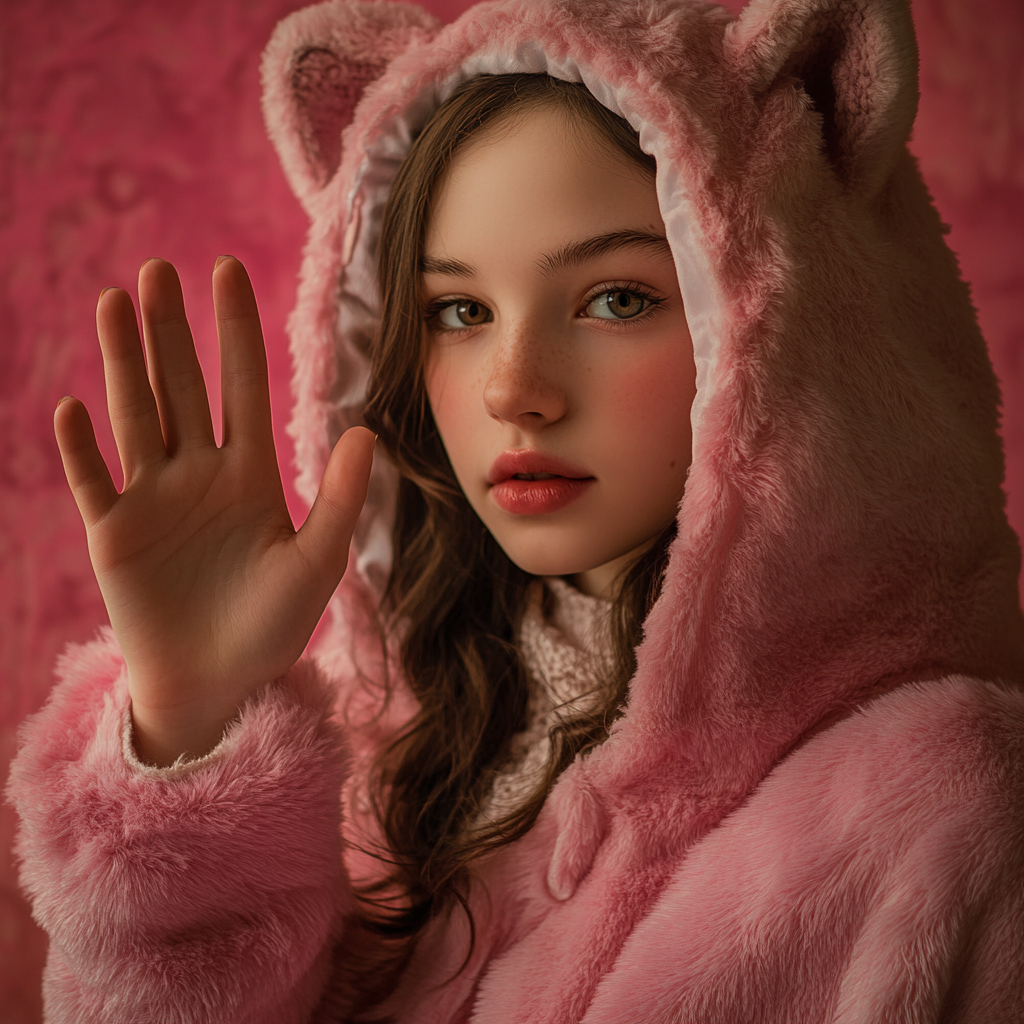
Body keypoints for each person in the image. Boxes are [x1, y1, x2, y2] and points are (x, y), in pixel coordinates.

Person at [7, 0, 1024, 1020]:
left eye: (614, 298)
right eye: (459, 310)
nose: (512, 388)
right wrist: (187, 729)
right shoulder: (387, 761)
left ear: (798, 314)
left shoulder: (941, 808)